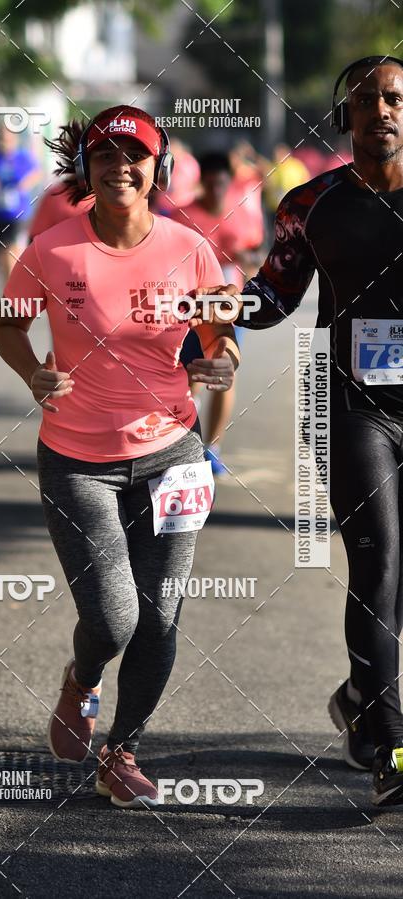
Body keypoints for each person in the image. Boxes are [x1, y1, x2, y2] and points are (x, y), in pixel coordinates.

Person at [0, 105, 240, 808]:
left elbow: (220, 332)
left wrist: (219, 361)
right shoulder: (53, 248)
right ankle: (83, 676)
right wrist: (31, 371)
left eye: (135, 156)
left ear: (156, 168)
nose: (120, 167)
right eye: (105, 155)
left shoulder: (189, 248)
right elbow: (8, 324)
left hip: (174, 452)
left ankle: (121, 749)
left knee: (161, 612)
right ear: (87, 167)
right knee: (114, 616)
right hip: (77, 458)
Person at [220, 56, 403, 805]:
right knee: (379, 559)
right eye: (366, 101)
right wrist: (214, 305)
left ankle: (362, 693)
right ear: (344, 118)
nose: (381, 111)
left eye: (394, 98)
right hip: (352, 404)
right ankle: (391, 743)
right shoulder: (311, 203)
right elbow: (274, 293)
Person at [171, 152, 263, 475]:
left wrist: (243, 260)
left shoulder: (243, 214)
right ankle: (183, 441)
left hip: (228, 310)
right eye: (208, 185)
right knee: (190, 376)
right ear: (201, 185)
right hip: (190, 311)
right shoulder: (182, 217)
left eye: (220, 184)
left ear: (228, 183)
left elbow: (255, 258)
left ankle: (213, 446)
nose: (215, 191)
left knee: (224, 373)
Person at [0, 128, 41, 282]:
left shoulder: (22, 157)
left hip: (18, 214)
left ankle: (13, 293)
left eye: (8, 139)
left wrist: (24, 183)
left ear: (14, 139)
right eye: (1, 139)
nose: (5, 142)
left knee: (11, 251)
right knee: (0, 255)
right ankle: (8, 288)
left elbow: (37, 173)